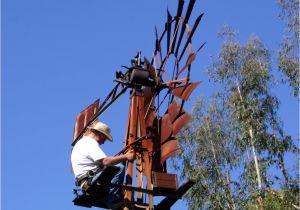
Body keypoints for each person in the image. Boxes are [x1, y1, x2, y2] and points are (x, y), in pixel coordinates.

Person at [71, 121, 135, 208]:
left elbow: (102, 164)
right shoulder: (90, 143)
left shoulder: (82, 143)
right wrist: (126, 157)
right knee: (119, 167)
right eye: (105, 138)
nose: (104, 142)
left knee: (125, 190)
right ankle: (114, 200)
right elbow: (106, 162)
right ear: (99, 134)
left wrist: (122, 158)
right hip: (90, 181)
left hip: (86, 182)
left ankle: (115, 200)